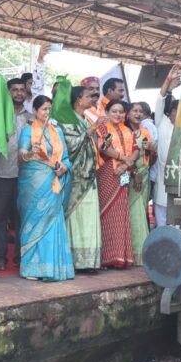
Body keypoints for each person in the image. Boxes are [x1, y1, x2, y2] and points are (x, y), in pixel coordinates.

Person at [17, 95, 73, 281]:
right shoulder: (27, 131)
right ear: (35, 110)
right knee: (34, 222)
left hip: (53, 183)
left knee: (52, 221)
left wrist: (63, 168)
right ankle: (32, 269)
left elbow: (66, 158)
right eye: (44, 109)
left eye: (49, 109)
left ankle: (53, 268)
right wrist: (29, 153)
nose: (47, 112)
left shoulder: (57, 132)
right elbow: (21, 156)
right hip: (33, 184)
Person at [58, 85, 103, 272]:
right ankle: (75, 261)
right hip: (77, 177)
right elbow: (71, 146)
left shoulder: (85, 119)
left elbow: (91, 144)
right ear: (78, 99)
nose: (91, 99)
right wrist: (92, 129)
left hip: (90, 175)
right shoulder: (68, 120)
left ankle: (89, 262)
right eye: (88, 96)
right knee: (76, 217)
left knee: (89, 218)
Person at [0, 77, 32, 271]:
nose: (19, 93)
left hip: (25, 174)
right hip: (1, 172)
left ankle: (19, 256)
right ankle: (0, 256)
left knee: (21, 217)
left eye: (22, 90)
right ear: (8, 92)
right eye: (15, 90)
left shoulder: (31, 117)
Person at [96, 99, 137, 268]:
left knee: (122, 212)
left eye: (121, 112)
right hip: (108, 173)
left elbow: (135, 150)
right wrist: (122, 158)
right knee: (107, 212)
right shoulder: (103, 128)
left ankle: (121, 256)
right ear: (107, 112)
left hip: (124, 173)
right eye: (114, 111)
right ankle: (108, 257)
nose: (118, 114)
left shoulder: (127, 130)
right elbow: (103, 148)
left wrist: (126, 165)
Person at [126, 101, 156, 264]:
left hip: (144, 177)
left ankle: (141, 253)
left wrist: (151, 149)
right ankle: (132, 253)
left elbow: (152, 159)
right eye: (134, 111)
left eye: (140, 111)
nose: (138, 114)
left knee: (141, 212)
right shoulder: (124, 131)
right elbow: (123, 156)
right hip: (128, 176)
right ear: (127, 114)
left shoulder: (145, 132)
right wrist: (134, 173)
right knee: (131, 213)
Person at [153, 65, 181, 227]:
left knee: (178, 225)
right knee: (161, 225)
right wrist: (168, 81)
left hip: (180, 186)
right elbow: (160, 98)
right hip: (161, 185)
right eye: (178, 111)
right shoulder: (161, 122)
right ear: (170, 112)